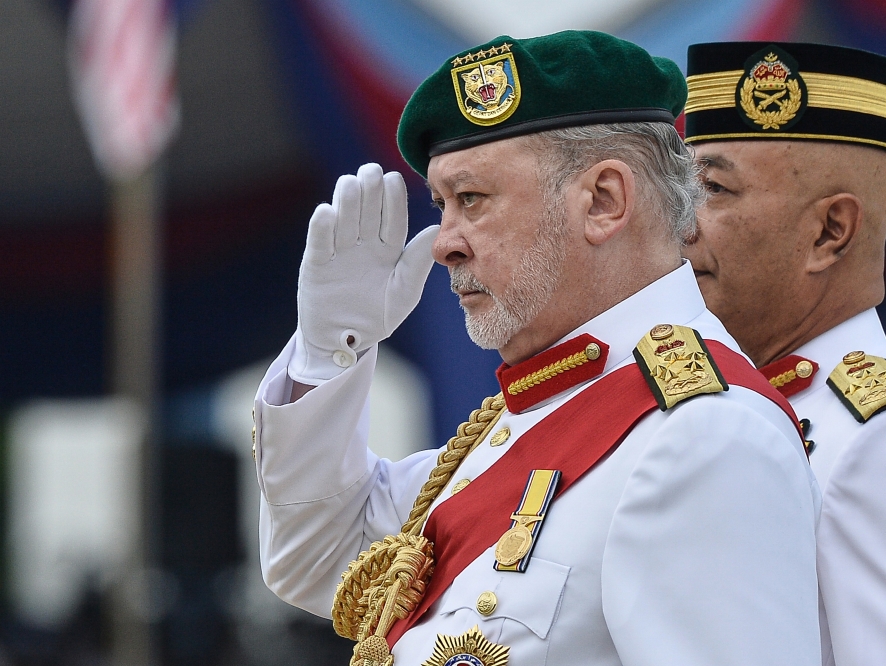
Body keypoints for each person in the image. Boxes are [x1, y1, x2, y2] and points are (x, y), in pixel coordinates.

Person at [254, 31, 822, 666]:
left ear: (604, 201)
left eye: (472, 199)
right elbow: (320, 558)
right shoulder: (519, 421)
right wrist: (332, 347)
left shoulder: (705, 433)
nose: (444, 243)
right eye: (442, 204)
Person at [682, 41, 886, 666]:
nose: (680, 226)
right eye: (681, 190)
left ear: (830, 232)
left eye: (714, 189)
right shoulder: (739, 406)